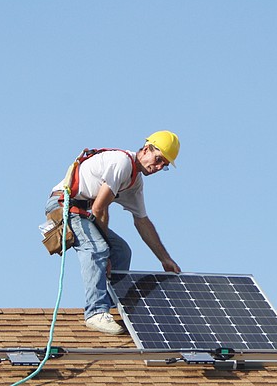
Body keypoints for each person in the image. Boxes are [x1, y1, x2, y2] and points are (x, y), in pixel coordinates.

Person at [45, 131, 182, 334]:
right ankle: (96, 312)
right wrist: (106, 248)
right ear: (146, 150)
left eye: (164, 165)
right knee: (98, 249)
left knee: (122, 251)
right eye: (159, 159)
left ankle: (111, 306)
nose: (159, 167)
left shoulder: (134, 183)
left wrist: (165, 259)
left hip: (82, 211)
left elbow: (142, 222)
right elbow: (99, 208)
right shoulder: (122, 163)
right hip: (64, 205)